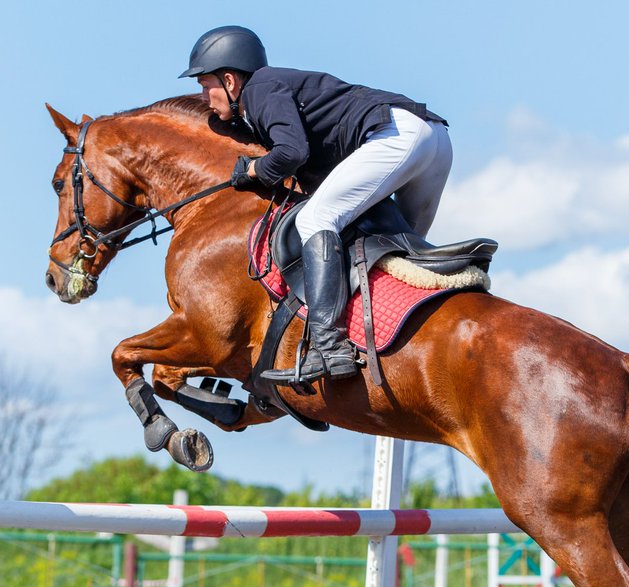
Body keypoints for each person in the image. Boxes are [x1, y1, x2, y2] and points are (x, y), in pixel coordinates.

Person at [180, 25, 453, 383]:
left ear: (230, 81)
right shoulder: (271, 93)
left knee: (315, 220)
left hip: (396, 136)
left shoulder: (260, 89)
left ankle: (329, 346)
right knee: (397, 258)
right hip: (435, 141)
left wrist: (254, 170)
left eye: (205, 85)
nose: (203, 96)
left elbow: (291, 153)